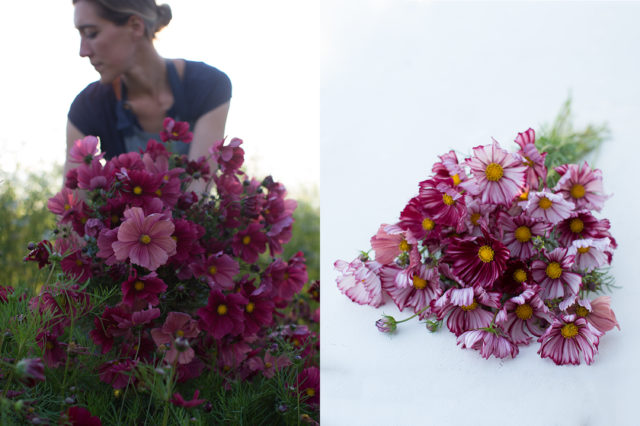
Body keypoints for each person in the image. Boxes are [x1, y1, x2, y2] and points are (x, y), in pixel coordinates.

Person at [66, 0, 231, 188]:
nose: (83, 51)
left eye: (91, 34)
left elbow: (199, 192)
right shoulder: (87, 107)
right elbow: (74, 210)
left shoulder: (208, 86)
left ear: (135, 26)